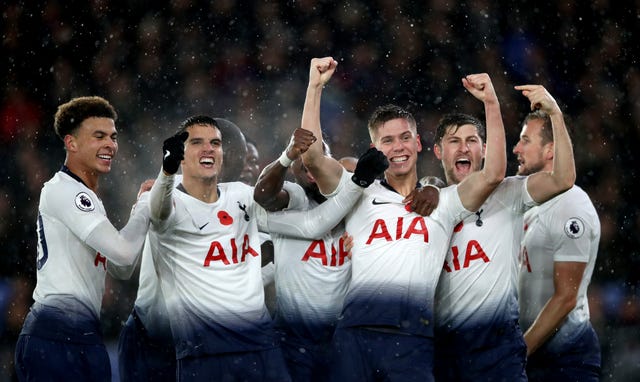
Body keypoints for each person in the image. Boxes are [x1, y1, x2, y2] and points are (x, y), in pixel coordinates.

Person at [299, 57, 506, 381]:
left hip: (411, 340)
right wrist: (314, 88)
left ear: (419, 142)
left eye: (405, 137)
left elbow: (493, 173)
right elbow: (312, 156)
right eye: (388, 140)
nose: (399, 147)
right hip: (354, 335)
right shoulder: (358, 193)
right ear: (374, 147)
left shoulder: (446, 201)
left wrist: (491, 103)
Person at [431, 84, 576, 381]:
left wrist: (555, 114)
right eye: (453, 141)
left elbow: (563, 178)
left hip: (496, 349)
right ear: (437, 151)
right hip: (443, 349)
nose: (463, 147)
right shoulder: (425, 203)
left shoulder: (509, 192)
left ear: (485, 150)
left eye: (472, 140)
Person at [14, 96, 150, 381]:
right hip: (54, 335)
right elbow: (124, 254)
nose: (110, 145)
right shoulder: (65, 190)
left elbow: (121, 268)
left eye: (113, 137)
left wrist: (141, 208)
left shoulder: (90, 199)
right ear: (71, 143)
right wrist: (147, 207)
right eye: (98, 136)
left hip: (85, 335)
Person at [147, 115, 292, 381]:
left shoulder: (241, 195)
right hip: (204, 354)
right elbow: (158, 213)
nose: (208, 149)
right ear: (180, 154)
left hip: (260, 346)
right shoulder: (163, 200)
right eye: (197, 142)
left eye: (215, 143)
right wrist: (166, 173)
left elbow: (300, 223)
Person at [116, 117, 255, 381]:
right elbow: (157, 213)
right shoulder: (164, 194)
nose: (251, 167)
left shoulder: (239, 203)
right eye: (245, 157)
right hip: (153, 340)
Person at [253, 121, 391, 381]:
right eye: (303, 166)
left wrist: (429, 183)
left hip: (343, 340)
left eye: (317, 162)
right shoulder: (295, 198)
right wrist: (287, 156)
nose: (311, 171)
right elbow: (265, 196)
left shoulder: (364, 214)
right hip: (291, 340)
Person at [516, 96, 601, 381]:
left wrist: (519, 351)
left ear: (550, 150)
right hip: (533, 354)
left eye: (525, 140)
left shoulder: (570, 205)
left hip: (565, 358)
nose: (517, 148)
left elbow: (566, 297)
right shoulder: (529, 206)